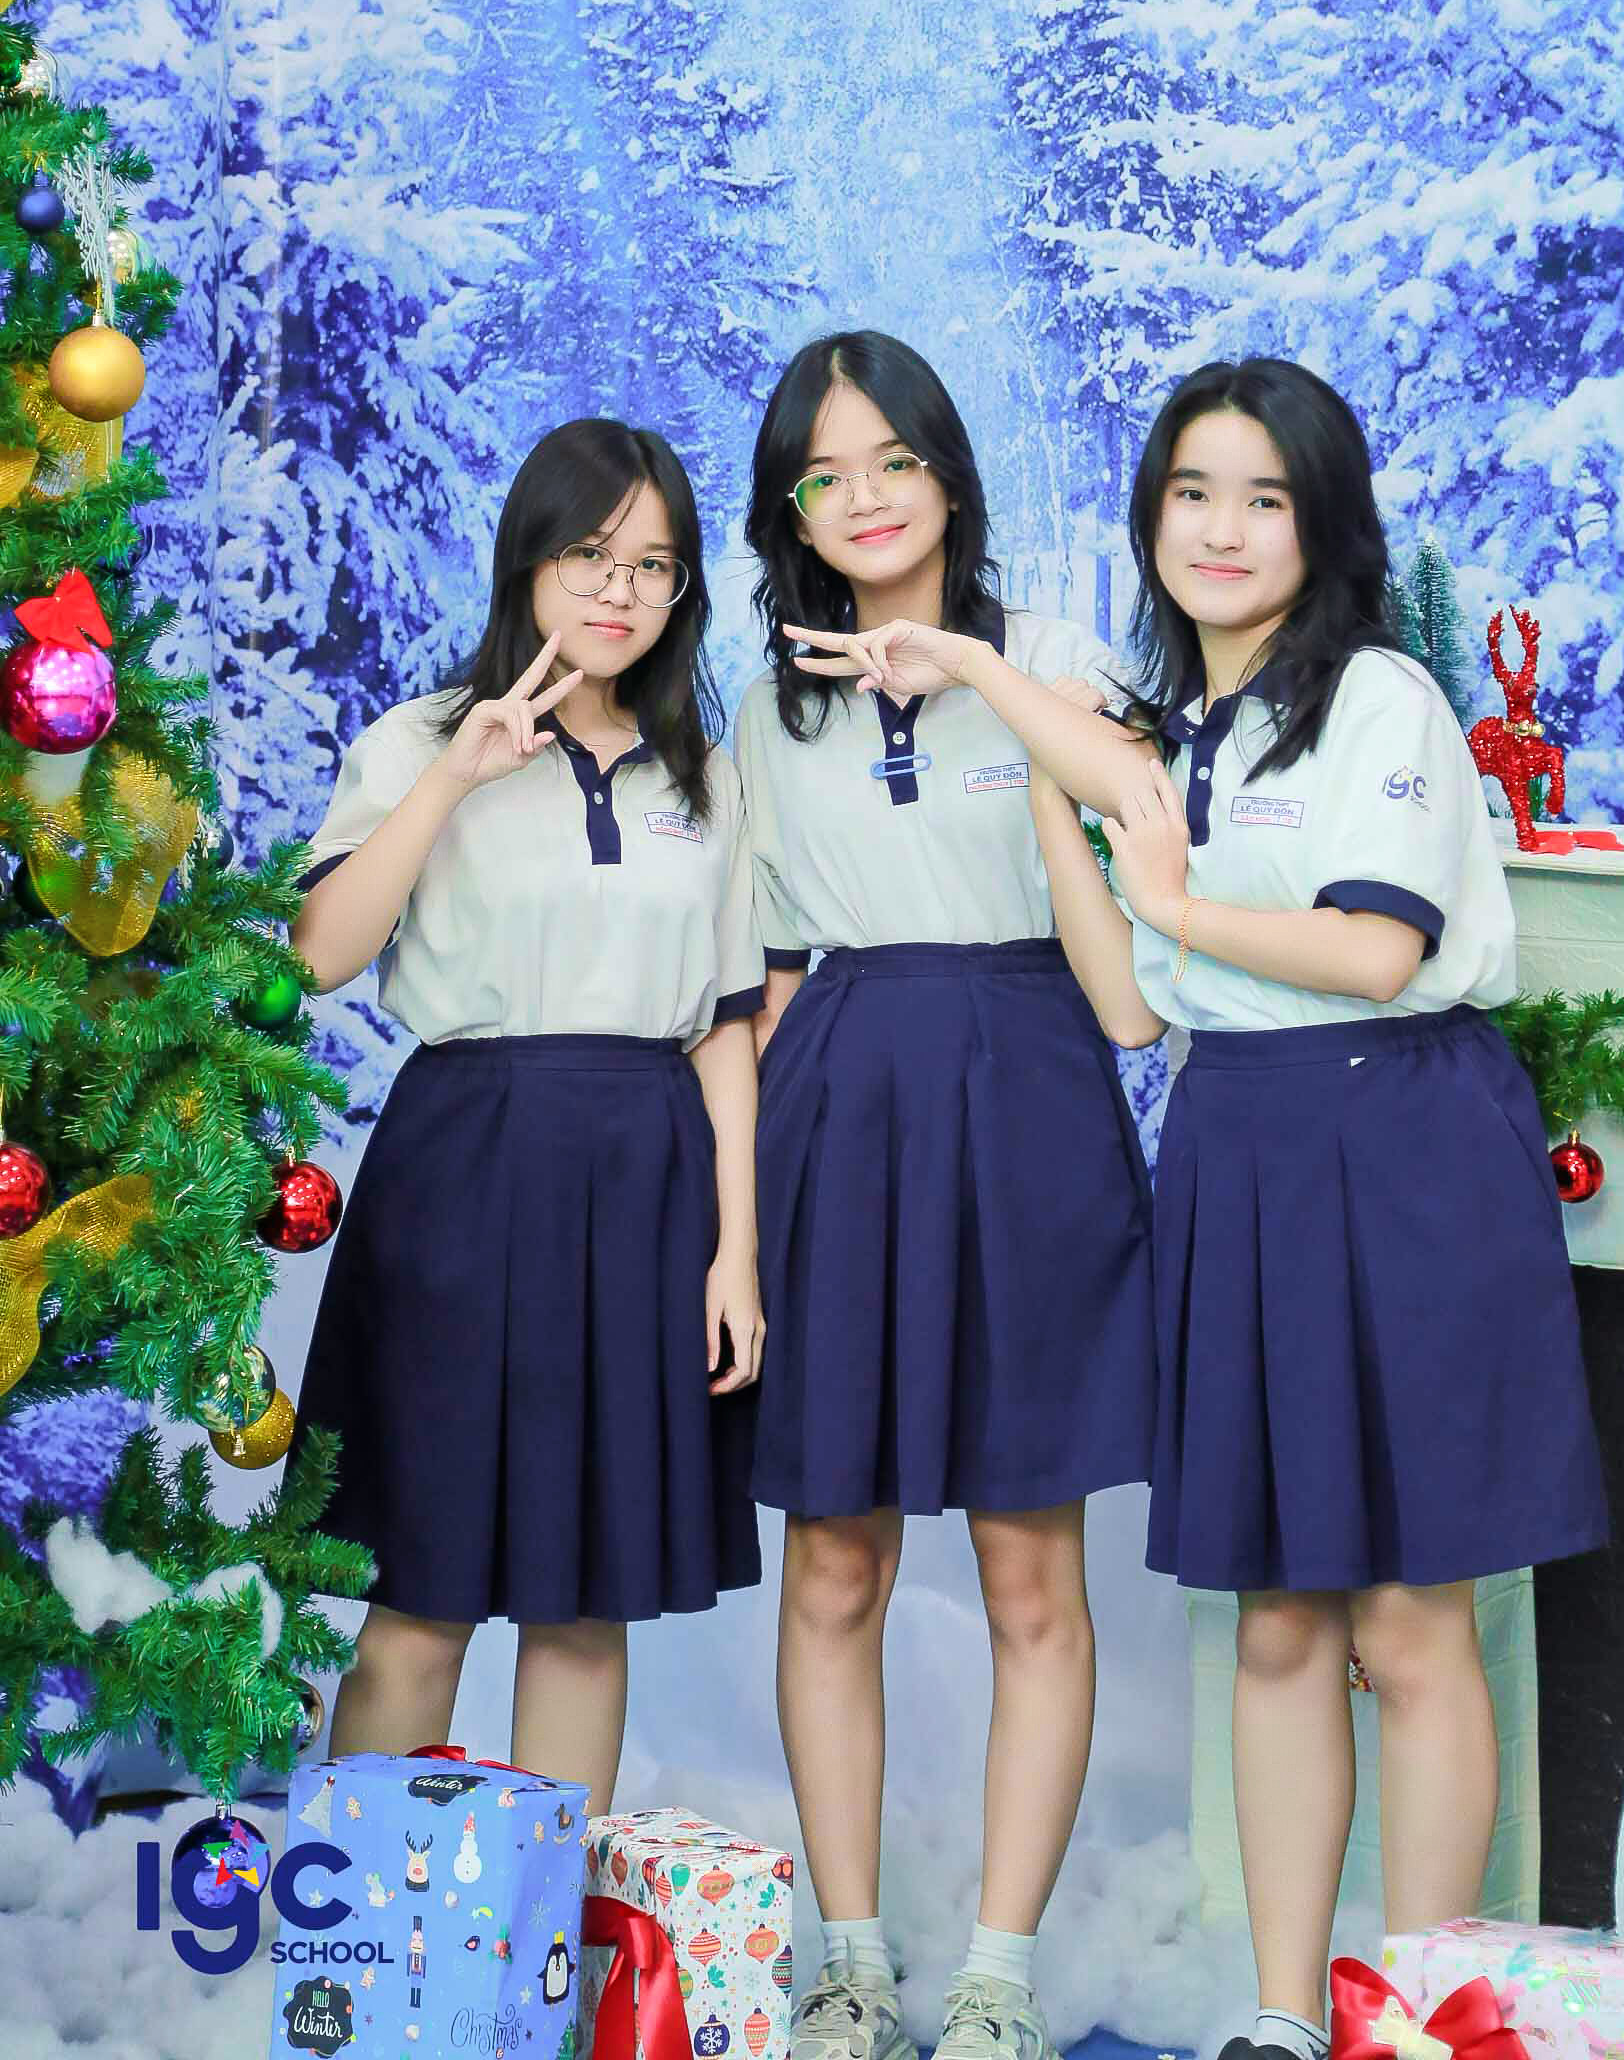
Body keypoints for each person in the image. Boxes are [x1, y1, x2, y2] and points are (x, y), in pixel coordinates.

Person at [1027, 357, 1608, 2060]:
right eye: (1191, 493)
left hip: (1408, 1143)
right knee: (1275, 1617)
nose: (1221, 529)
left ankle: (1424, 2011)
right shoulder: (1179, 739)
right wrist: (1065, 801)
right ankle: (1287, 2015)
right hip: (1240, 1145)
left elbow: (1374, 951)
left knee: (1413, 1621)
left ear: (1322, 522)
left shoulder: (1381, 700)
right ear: (1152, 519)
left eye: (1264, 497)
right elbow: (1133, 1010)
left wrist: (1173, 901)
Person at [735, 330, 1157, 2060]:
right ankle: (848, 1964)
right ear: (789, 514)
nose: (863, 498)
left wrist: (974, 668)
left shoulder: (1048, 660)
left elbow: (1137, 820)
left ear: (950, 475)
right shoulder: (769, 710)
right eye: (822, 476)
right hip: (837, 1106)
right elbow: (762, 980)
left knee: (1029, 1574)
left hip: (1029, 1098)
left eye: (893, 460)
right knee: (833, 1562)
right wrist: (737, 1227)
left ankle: (998, 1979)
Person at [287, 417, 766, 1814]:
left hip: (648, 1180)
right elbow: (318, 955)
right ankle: (368, 1928)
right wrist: (457, 775)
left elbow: (724, 1029)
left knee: (584, 1602)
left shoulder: (700, 774)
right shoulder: (422, 738)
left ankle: (538, 1932)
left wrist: (734, 1254)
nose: (620, 590)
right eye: (589, 555)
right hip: (466, 1165)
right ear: (528, 560)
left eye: (654, 566)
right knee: (420, 1594)